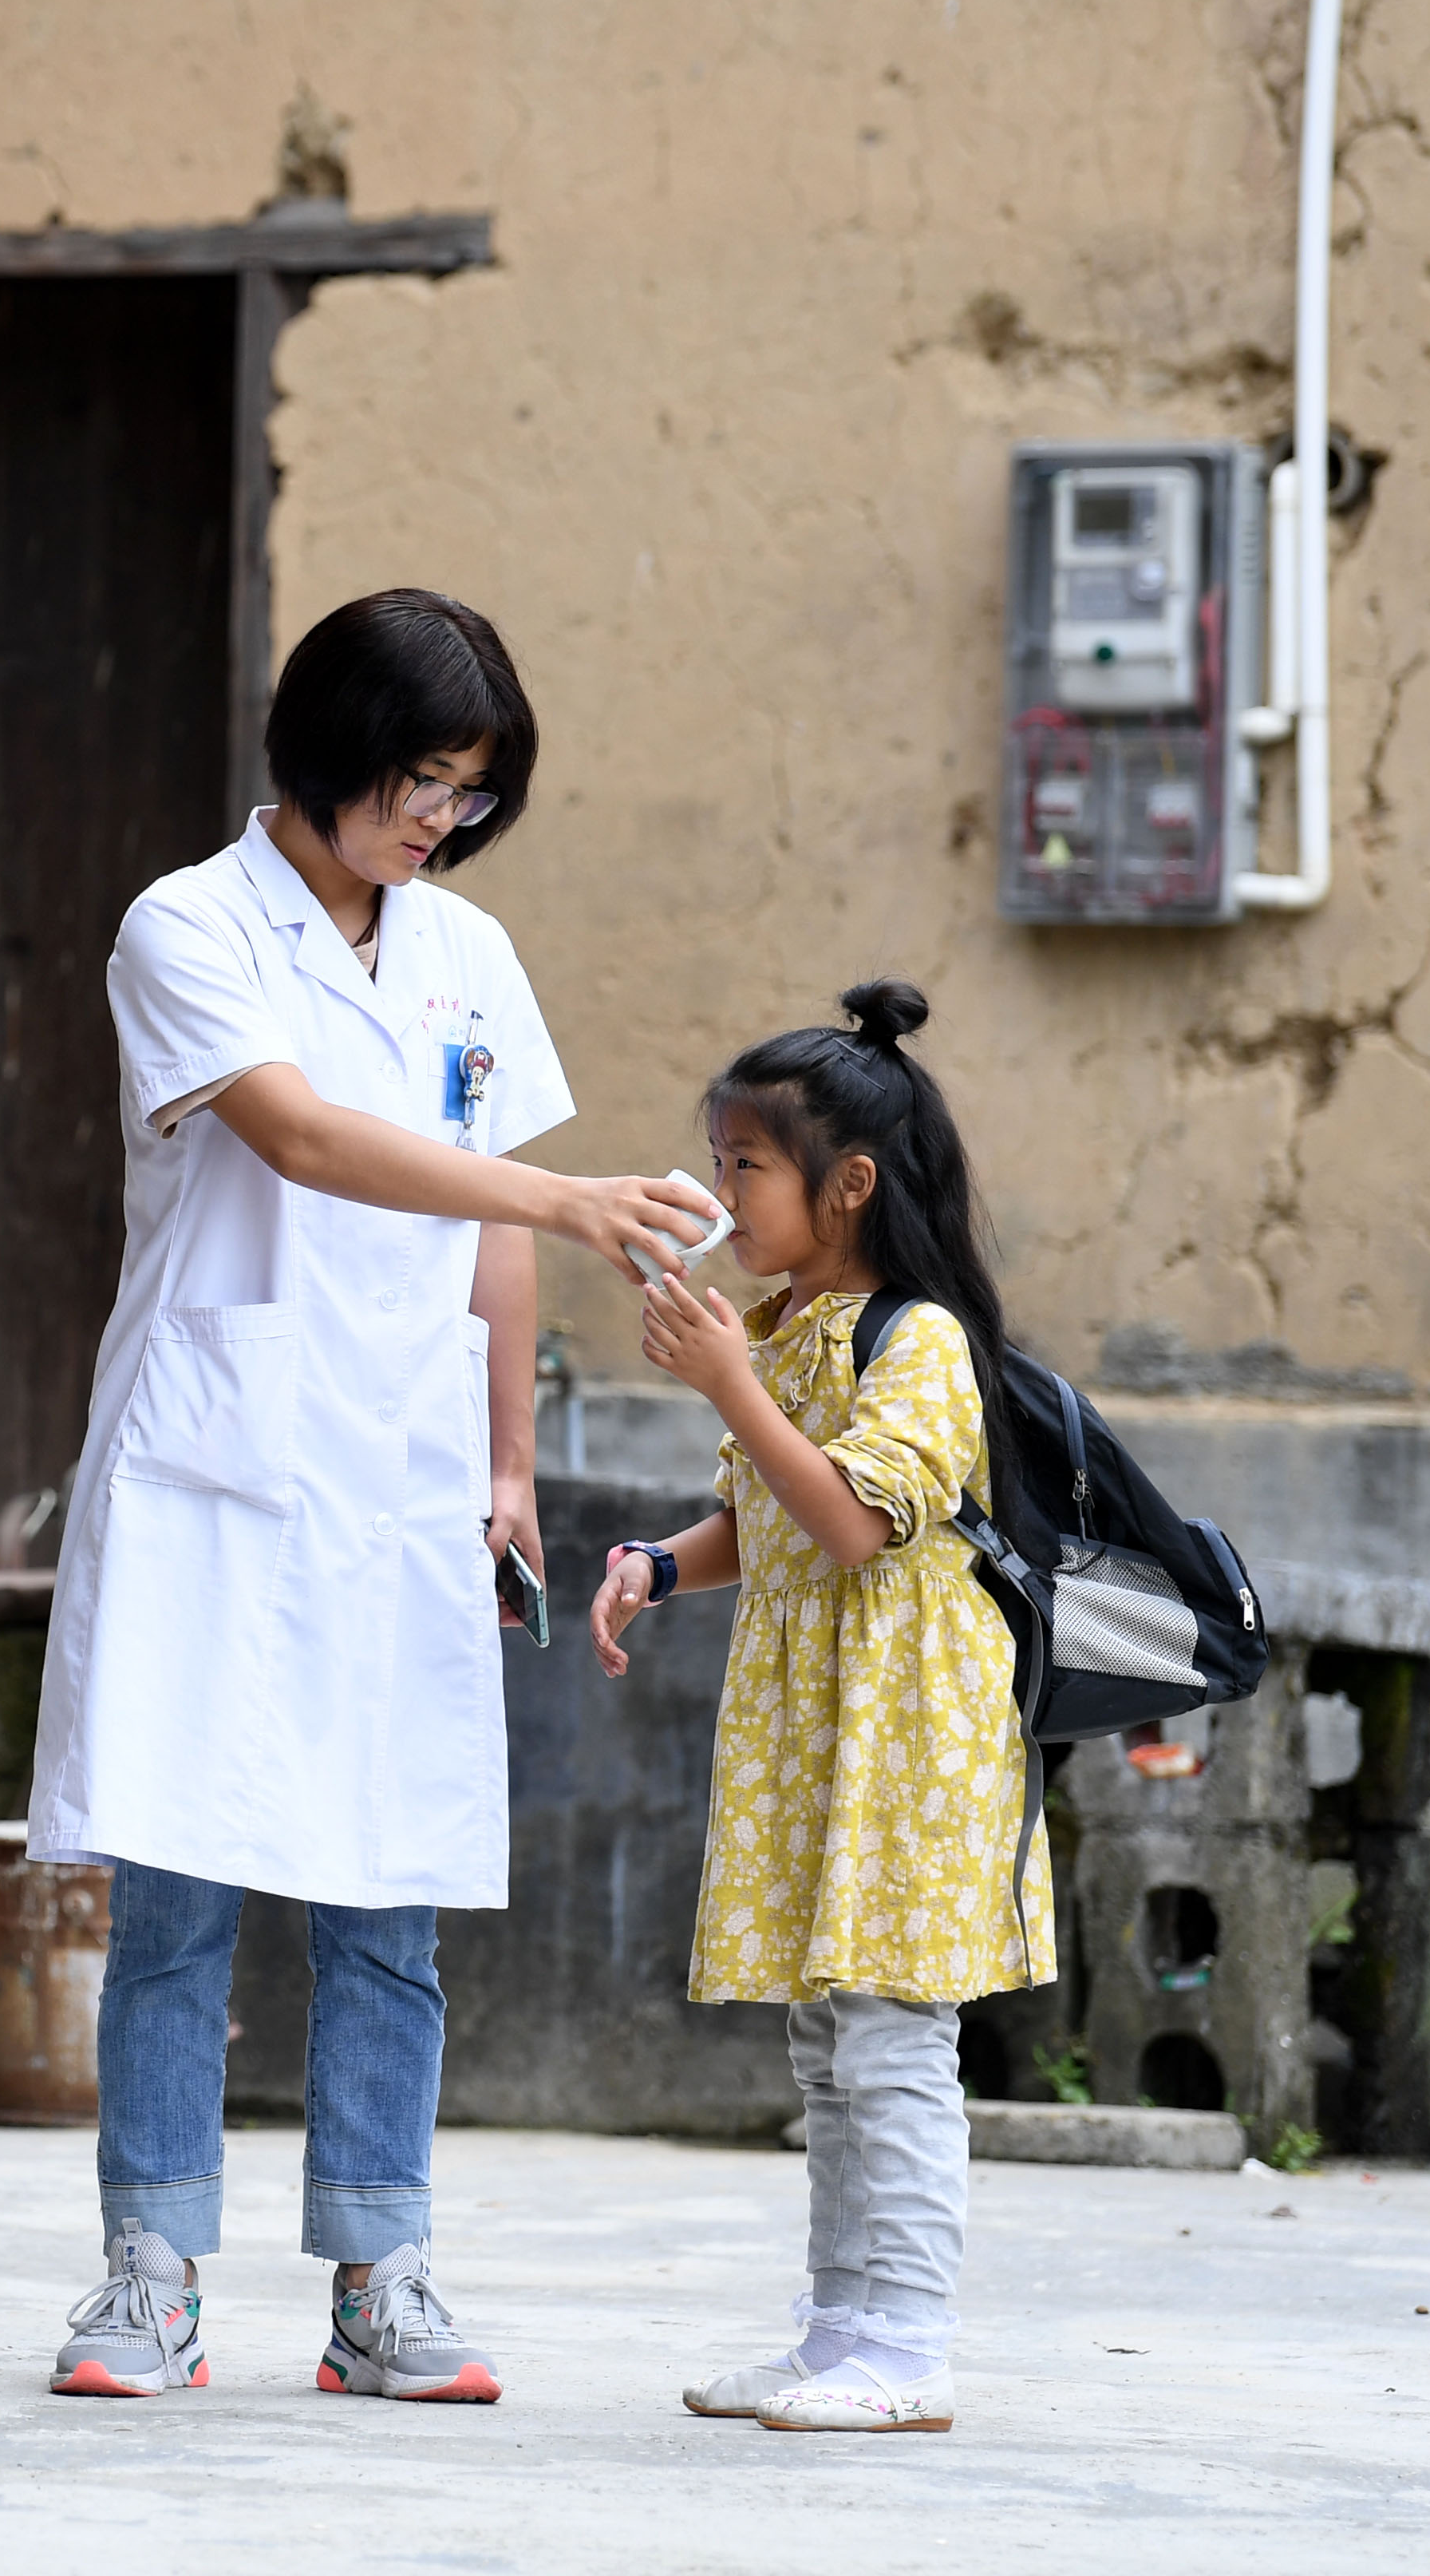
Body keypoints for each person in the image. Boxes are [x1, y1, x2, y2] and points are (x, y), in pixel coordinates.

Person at [31, 589, 723, 2404]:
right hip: (216, 1460)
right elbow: (305, 1137)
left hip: (404, 1471)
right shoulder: (187, 924)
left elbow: (492, 1232)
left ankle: (382, 2280)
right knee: (179, 1884)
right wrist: (565, 1196)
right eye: (421, 778)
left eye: (470, 792)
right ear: (329, 750)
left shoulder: (465, 950)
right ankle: (150, 2277)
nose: (441, 818)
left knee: (389, 1894)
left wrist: (507, 1461)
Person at [584, 979, 1054, 2436]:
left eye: (747, 1166)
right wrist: (666, 1564)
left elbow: (852, 1522)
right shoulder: (786, 1328)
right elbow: (770, 1517)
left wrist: (730, 1384)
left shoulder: (920, 1340)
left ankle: (909, 2349)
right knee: (828, 2040)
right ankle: (838, 2334)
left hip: (910, 1734)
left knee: (894, 2038)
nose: (720, 1192)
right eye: (718, 1161)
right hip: (818, 1730)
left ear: (848, 1184)